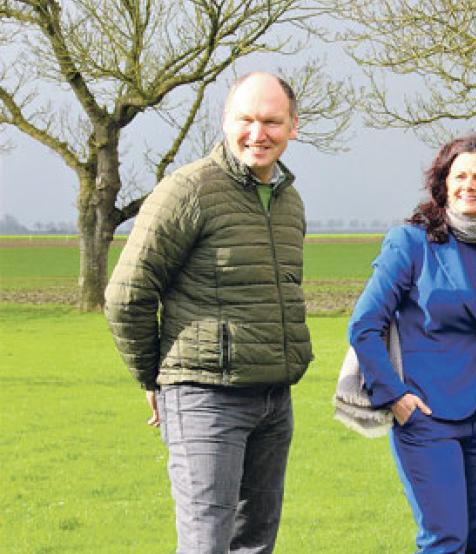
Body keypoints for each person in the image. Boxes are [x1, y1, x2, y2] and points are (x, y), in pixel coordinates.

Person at [104, 72, 312, 553]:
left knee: (256, 543)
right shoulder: (189, 190)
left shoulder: (290, 201)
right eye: (245, 120)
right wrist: (153, 378)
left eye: (271, 122)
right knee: (206, 544)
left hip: (274, 400)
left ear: (292, 127)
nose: (257, 134)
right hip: (204, 398)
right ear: (225, 121)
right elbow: (127, 294)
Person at [348, 133, 476, 553]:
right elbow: (364, 326)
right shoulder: (411, 243)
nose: (469, 185)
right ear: (444, 182)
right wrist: (395, 397)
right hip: (427, 414)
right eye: (461, 175)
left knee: (469, 543)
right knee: (445, 540)